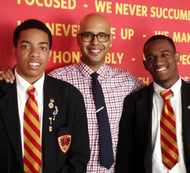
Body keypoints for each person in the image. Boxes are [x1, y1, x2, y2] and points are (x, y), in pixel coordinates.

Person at [0, 13, 143, 172]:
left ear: (110, 40)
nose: (95, 42)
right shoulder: (58, 79)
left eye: (102, 35)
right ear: (78, 39)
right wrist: (6, 75)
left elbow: (153, 99)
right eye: (88, 35)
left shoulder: (128, 81)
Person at [0, 19, 90, 173]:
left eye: (42, 47)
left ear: (49, 54)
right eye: (26, 46)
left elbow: (79, 155)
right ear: (15, 50)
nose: (34, 54)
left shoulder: (70, 96)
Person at [116, 35, 190, 173]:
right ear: (145, 65)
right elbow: (126, 155)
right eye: (151, 58)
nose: (158, 62)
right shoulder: (134, 102)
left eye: (164, 54)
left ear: (177, 57)